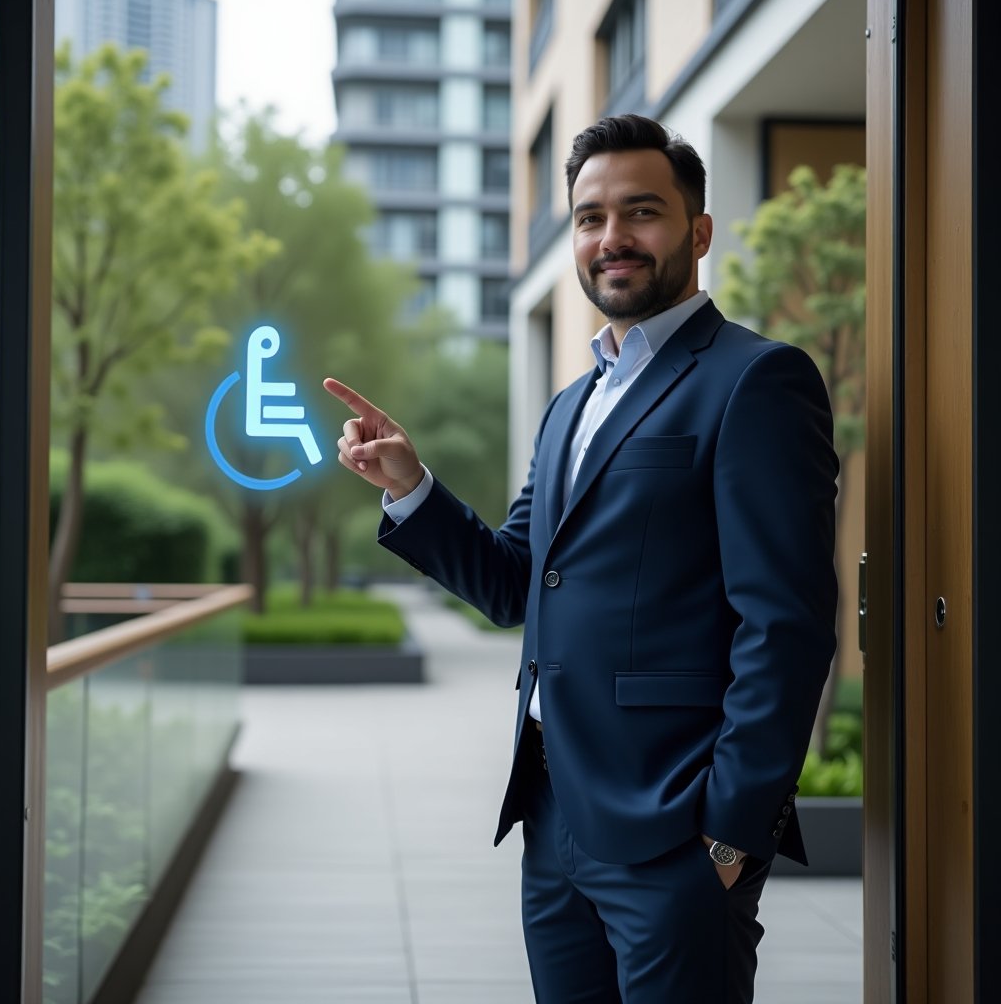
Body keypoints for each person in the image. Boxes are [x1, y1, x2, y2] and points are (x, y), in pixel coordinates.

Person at [323, 114, 838, 1004]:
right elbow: (516, 581)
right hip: (554, 819)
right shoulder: (572, 404)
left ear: (699, 231)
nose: (613, 238)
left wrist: (728, 838)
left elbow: (785, 624)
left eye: (642, 212)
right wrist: (411, 486)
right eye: (591, 218)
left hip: (677, 830)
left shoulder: (756, 381)